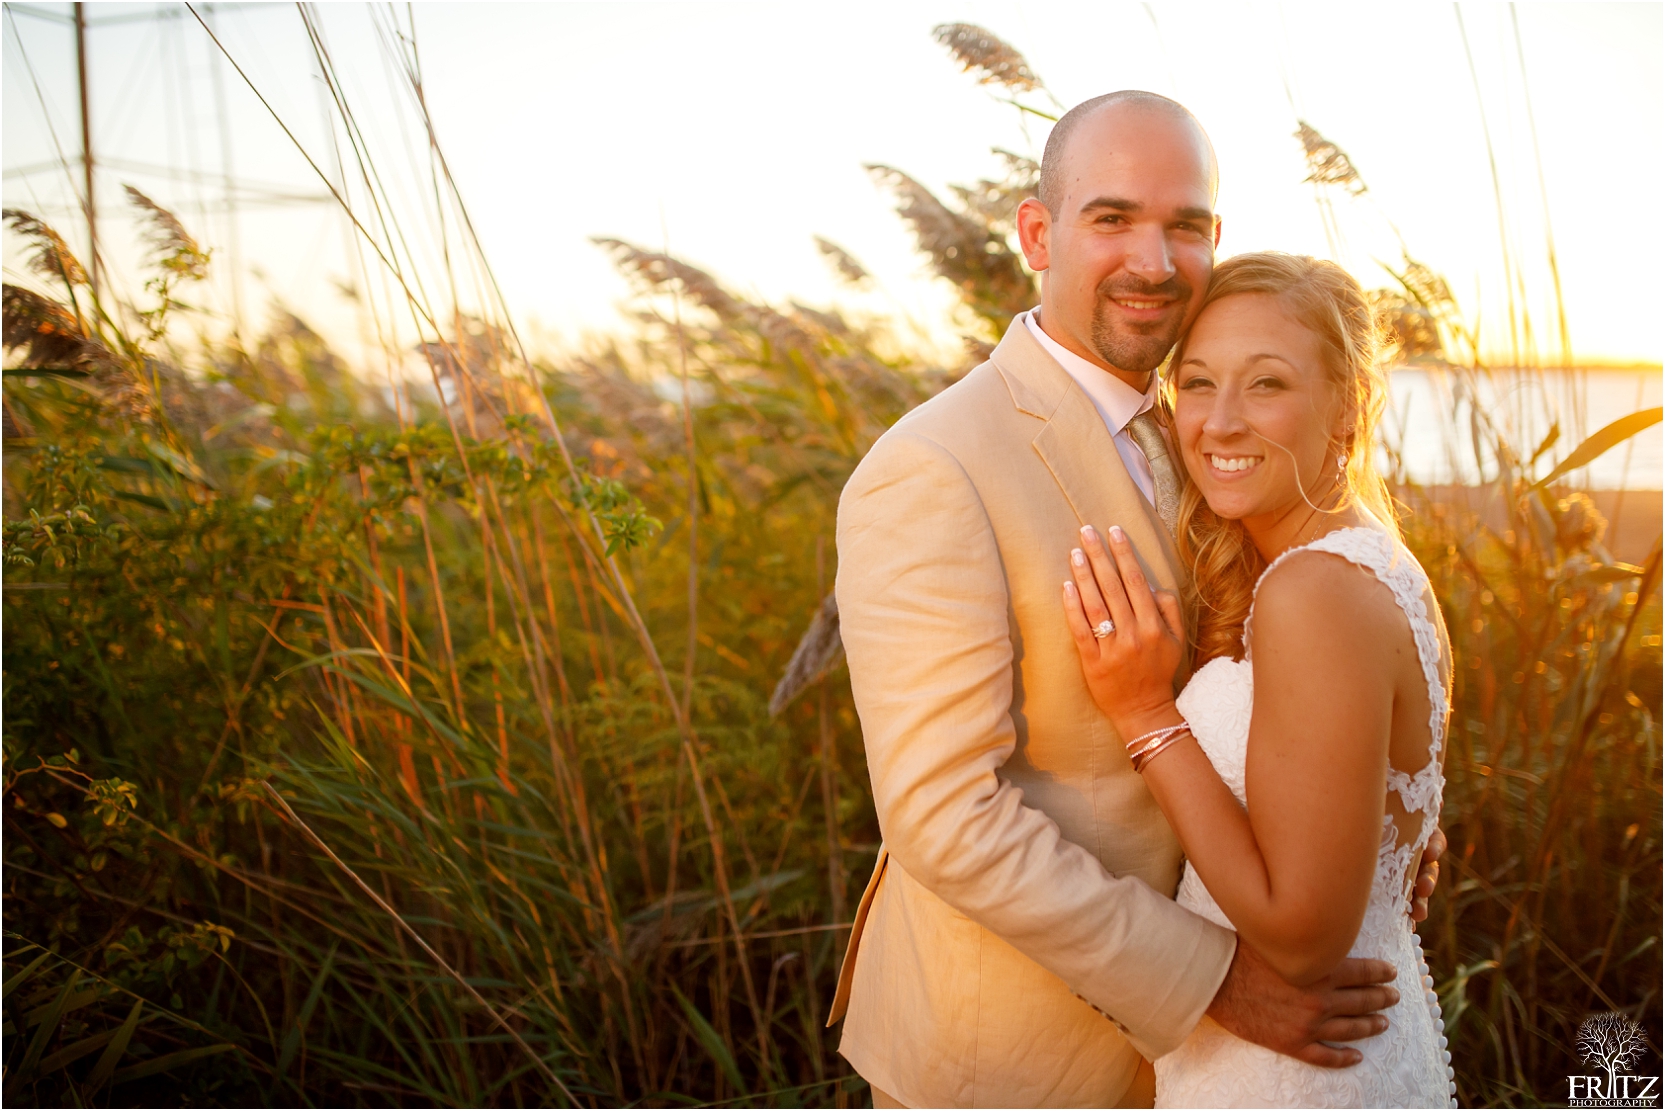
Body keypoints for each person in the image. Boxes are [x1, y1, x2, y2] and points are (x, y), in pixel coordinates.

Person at [828, 91, 1442, 1108]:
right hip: (1024, 1060)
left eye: (1185, 225)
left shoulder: (1209, 424)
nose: (1154, 262)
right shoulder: (935, 468)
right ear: (1038, 232)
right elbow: (946, 816)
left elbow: (1293, 683)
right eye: (1113, 218)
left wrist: (1367, 825)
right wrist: (1215, 982)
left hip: (1220, 1061)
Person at [1059, 251, 1455, 1107]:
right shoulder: (1371, 562)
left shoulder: (1311, 590)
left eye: (1266, 385)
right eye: (1197, 384)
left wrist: (1143, 714)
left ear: (1345, 407)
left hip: (1292, 1069)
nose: (1220, 423)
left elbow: (1301, 939)